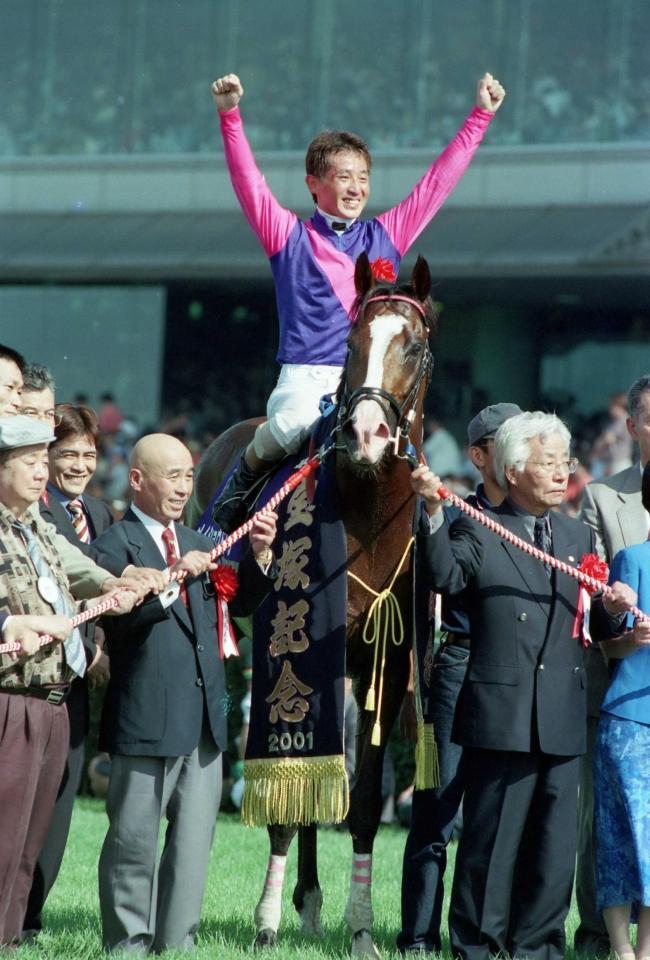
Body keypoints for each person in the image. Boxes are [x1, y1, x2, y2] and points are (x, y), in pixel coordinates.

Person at [210, 71, 506, 532]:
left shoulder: (386, 235)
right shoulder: (287, 235)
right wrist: (230, 116)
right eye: (343, 176)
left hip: (373, 377)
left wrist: (480, 116)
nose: (355, 187)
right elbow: (248, 181)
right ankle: (231, 496)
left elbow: (437, 183)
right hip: (307, 381)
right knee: (292, 426)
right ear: (313, 183)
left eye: (363, 177)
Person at [410, 411, 632, 960]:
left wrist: (615, 609)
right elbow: (446, 576)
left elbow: (592, 625)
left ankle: (539, 949)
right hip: (500, 713)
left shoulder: (578, 534)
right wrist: (435, 513)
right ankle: (478, 949)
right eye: (548, 464)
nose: (562, 475)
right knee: (490, 848)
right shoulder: (477, 525)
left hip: (560, 714)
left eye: (566, 463)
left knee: (552, 855)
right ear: (512, 471)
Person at [91, 433, 278, 953]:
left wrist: (260, 557)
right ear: (137, 480)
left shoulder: (199, 542)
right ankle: (128, 944)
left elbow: (240, 603)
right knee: (133, 845)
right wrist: (171, 580)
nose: (182, 486)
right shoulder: (112, 548)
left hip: (203, 727)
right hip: (145, 719)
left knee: (192, 850)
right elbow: (121, 625)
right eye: (171, 475)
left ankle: (177, 945)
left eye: (189, 476)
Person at [0, 416, 134, 945]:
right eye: (31, 463)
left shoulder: (33, 523)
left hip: (55, 696)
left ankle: (11, 937)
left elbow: (73, 567)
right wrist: (11, 624)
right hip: (11, 696)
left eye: (41, 461)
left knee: (30, 843)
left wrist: (115, 582)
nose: (43, 473)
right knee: (4, 838)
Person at [398, 402, 521, 955]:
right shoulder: (459, 513)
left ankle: (481, 936)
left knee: (496, 819)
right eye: (506, 441)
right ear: (478, 455)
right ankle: (418, 935)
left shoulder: (541, 521)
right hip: (460, 666)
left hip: (518, 677)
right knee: (439, 807)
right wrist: (431, 511)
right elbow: (442, 577)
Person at [23, 403, 114, 938]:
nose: (78, 465)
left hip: (78, 684)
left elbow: (101, 591)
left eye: (87, 454)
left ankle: (30, 916)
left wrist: (98, 644)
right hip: (32, 679)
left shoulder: (101, 515)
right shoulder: (31, 513)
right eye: (66, 455)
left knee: (59, 803)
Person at [577, 374, 650, 958]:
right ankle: (601, 936)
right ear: (632, 426)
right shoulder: (604, 498)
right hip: (621, 689)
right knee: (608, 824)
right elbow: (593, 594)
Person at [593, 461, 650, 960]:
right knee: (619, 836)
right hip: (630, 721)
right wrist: (631, 638)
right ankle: (620, 947)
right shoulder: (630, 560)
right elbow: (605, 647)